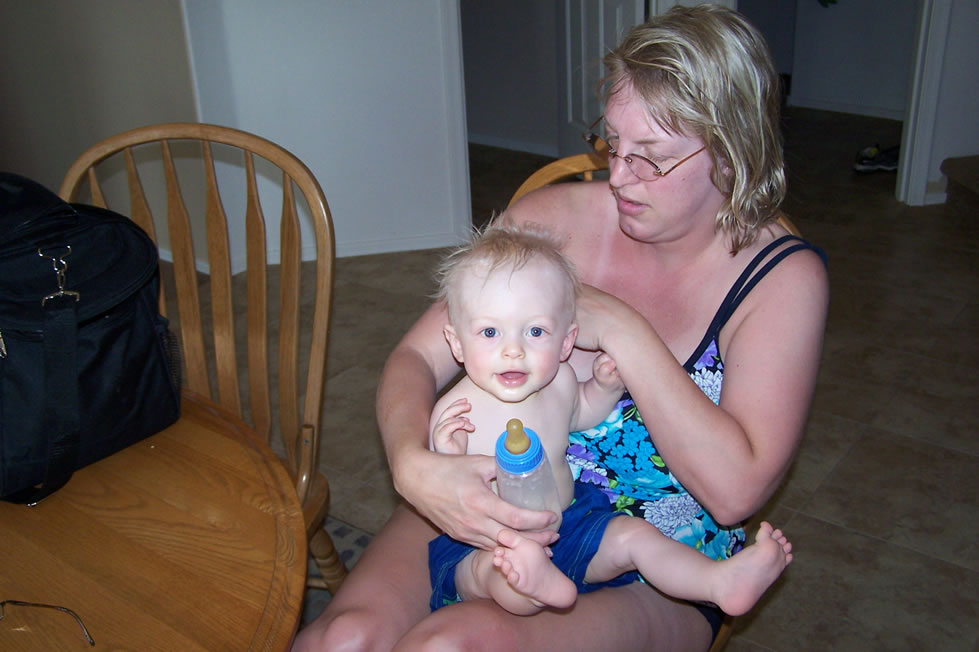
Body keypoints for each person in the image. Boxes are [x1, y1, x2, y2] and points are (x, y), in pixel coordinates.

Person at [294, 4, 828, 650]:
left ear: (730, 155)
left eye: (651, 158)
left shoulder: (779, 281)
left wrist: (622, 327)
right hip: (501, 493)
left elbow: (734, 493)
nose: (618, 176)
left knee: (451, 647)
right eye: (612, 142)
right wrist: (412, 464)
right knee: (340, 639)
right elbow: (417, 356)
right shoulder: (550, 221)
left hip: (657, 552)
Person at [427, 224, 792, 617]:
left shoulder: (560, 382)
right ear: (457, 343)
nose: (513, 350)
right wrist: (446, 452)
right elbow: (447, 486)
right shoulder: (458, 411)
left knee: (634, 537)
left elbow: (582, 414)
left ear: (566, 341)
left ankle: (718, 582)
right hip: (489, 538)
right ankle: (529, 585)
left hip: (569, 518)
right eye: (490, 332)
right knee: (489, 571)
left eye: (535, 331)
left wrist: (602, 389)